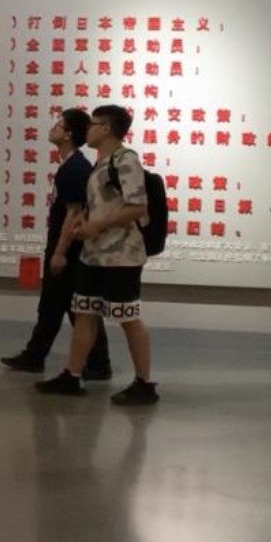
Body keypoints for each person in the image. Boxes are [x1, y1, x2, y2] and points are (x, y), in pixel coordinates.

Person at [37, 105, 159, 406]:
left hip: (121, 257)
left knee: (128, 317)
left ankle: (144, 383)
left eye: (92, 124)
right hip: (93, 255)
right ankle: (72, 374)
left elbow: (137, 206)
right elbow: (102, 205)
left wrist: (96, 225)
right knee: (85, 313)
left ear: (105, 128)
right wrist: (85, 223)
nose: (87, 130)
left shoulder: (125, 160)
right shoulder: (100, 164)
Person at [1, 109, 112, 378]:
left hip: (70, 248)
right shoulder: (72, 166)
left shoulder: (75, 169)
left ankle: (97, 362)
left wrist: (59, 252)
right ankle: (37, 355)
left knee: (76, 307)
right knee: (56, 305)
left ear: (68, 134)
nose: (53, 128)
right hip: (67, 246)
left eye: (58, 125)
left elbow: (74, 214)